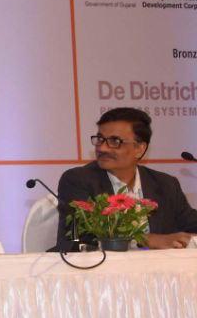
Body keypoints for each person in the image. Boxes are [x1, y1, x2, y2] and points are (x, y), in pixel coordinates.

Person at [56, 107, 197, 250]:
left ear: (139, 149)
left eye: (114, 141)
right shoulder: (78, 180)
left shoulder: (166, 184)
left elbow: (191, 223)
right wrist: (146, 240)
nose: (102, 148)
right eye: (100, 139)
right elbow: (76, 239)